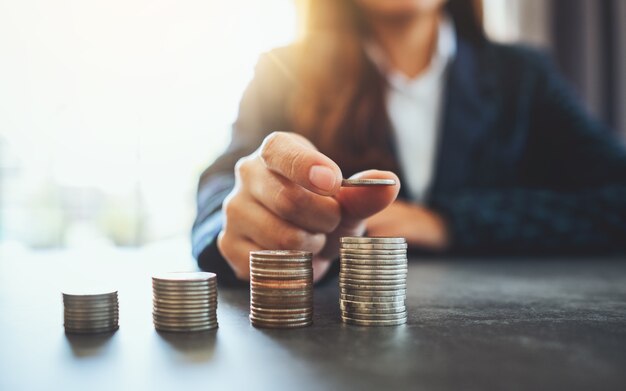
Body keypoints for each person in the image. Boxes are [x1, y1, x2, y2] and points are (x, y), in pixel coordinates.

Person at [192, 0, 626, 285]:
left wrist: (445, 223)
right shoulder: (281, 72)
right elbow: (222, 188)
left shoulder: (525, 77)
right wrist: (237, 220)